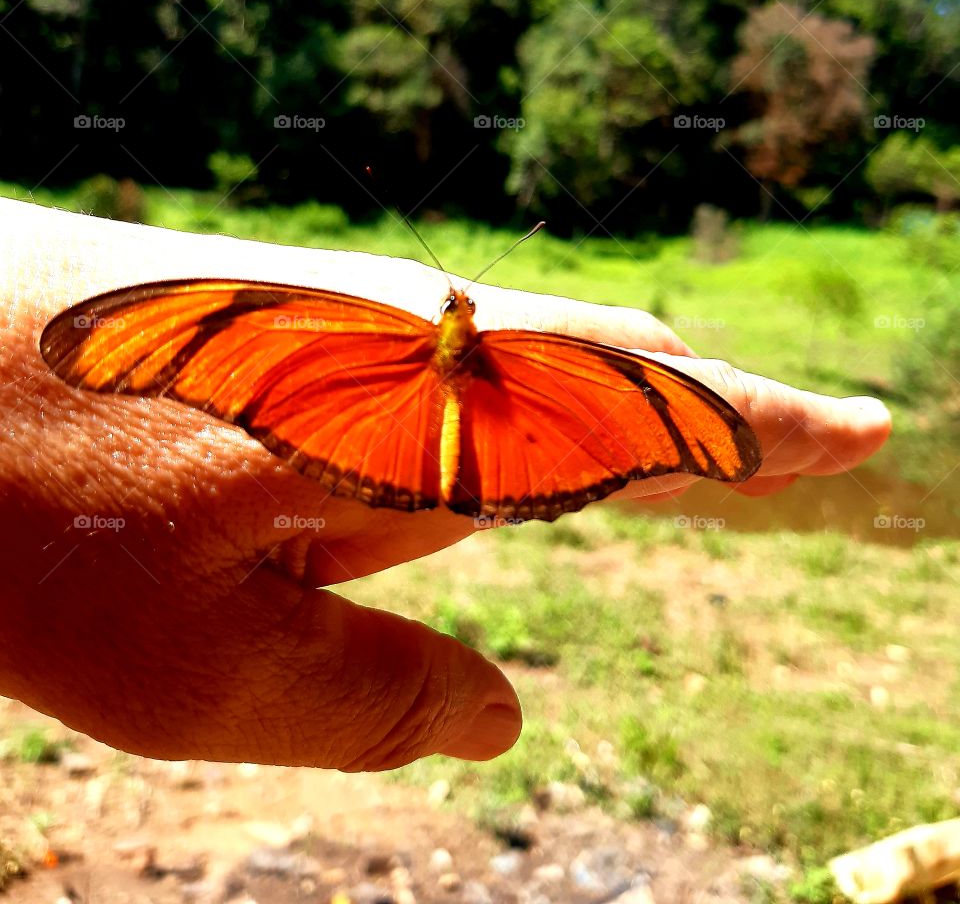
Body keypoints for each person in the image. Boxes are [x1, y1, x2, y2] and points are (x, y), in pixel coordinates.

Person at [0, 198, 891, 771]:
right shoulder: (525, 356)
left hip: (409, 426)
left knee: (651, 405)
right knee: (638, 407)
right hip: (472, 428)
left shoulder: (483, 350)